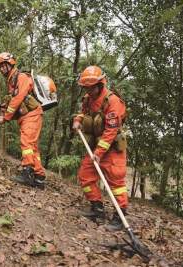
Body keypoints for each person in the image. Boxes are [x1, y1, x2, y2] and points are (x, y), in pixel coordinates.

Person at [72, 65, 128, 231]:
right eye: (86, 87)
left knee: (116, 182)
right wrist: (78, 120)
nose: (89, 90)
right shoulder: (88, 99)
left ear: (100, 84)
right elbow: (83, 113)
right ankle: (97, 208)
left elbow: (111, 131)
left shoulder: (112, 102)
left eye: (91, 87)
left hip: (111, 150)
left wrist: (99, 152)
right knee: (85, 176)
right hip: (96, 147)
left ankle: (120, 215)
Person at [0, 52, 45, 189]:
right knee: (32, 147)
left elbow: (18, 98)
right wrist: (4, 113)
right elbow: (11, 100)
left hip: (32, 114)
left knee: (26, 141)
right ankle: (39, 177)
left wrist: (6, 117)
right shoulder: (10, 80)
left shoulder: (21, 77)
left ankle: (27, 172)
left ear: (10, 64)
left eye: (3, 65)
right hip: (25, 116)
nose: (1, 69)